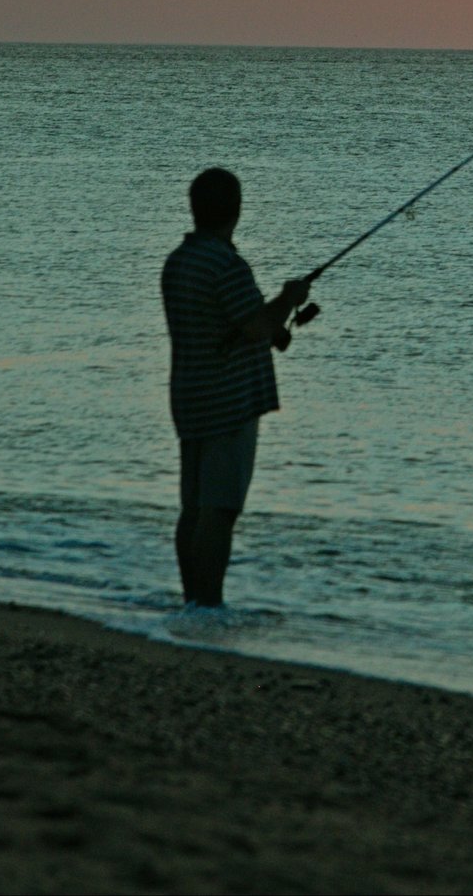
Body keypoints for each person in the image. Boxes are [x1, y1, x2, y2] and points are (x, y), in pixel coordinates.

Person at [160, 167, 312, 611]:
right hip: (228, 401)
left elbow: (239, 327)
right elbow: (255, 325)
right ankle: (209, 605)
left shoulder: (179, 261)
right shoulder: (226, 265)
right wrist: (290, 297)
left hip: (190, 396)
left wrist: (274, 324)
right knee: (220, 509)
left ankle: (193, 601)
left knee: (194, 507)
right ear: (237, 210)